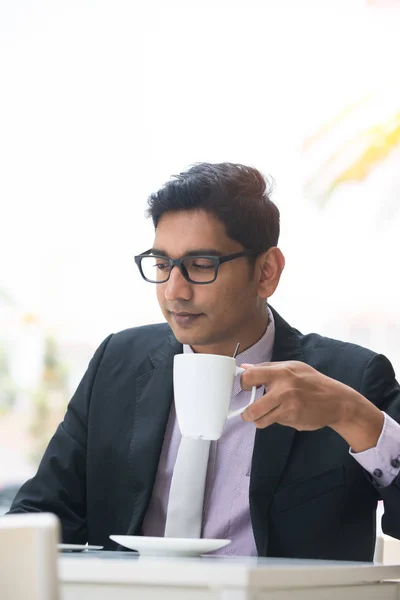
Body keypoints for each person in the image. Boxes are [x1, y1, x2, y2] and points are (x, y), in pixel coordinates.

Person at [9, 163, 400, 560]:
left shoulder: (351, 380)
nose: (174, 292)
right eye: (162, 265)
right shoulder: (117, 363)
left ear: (266, 272)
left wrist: (354, 417)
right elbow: (40, 518)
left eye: (200, 266)